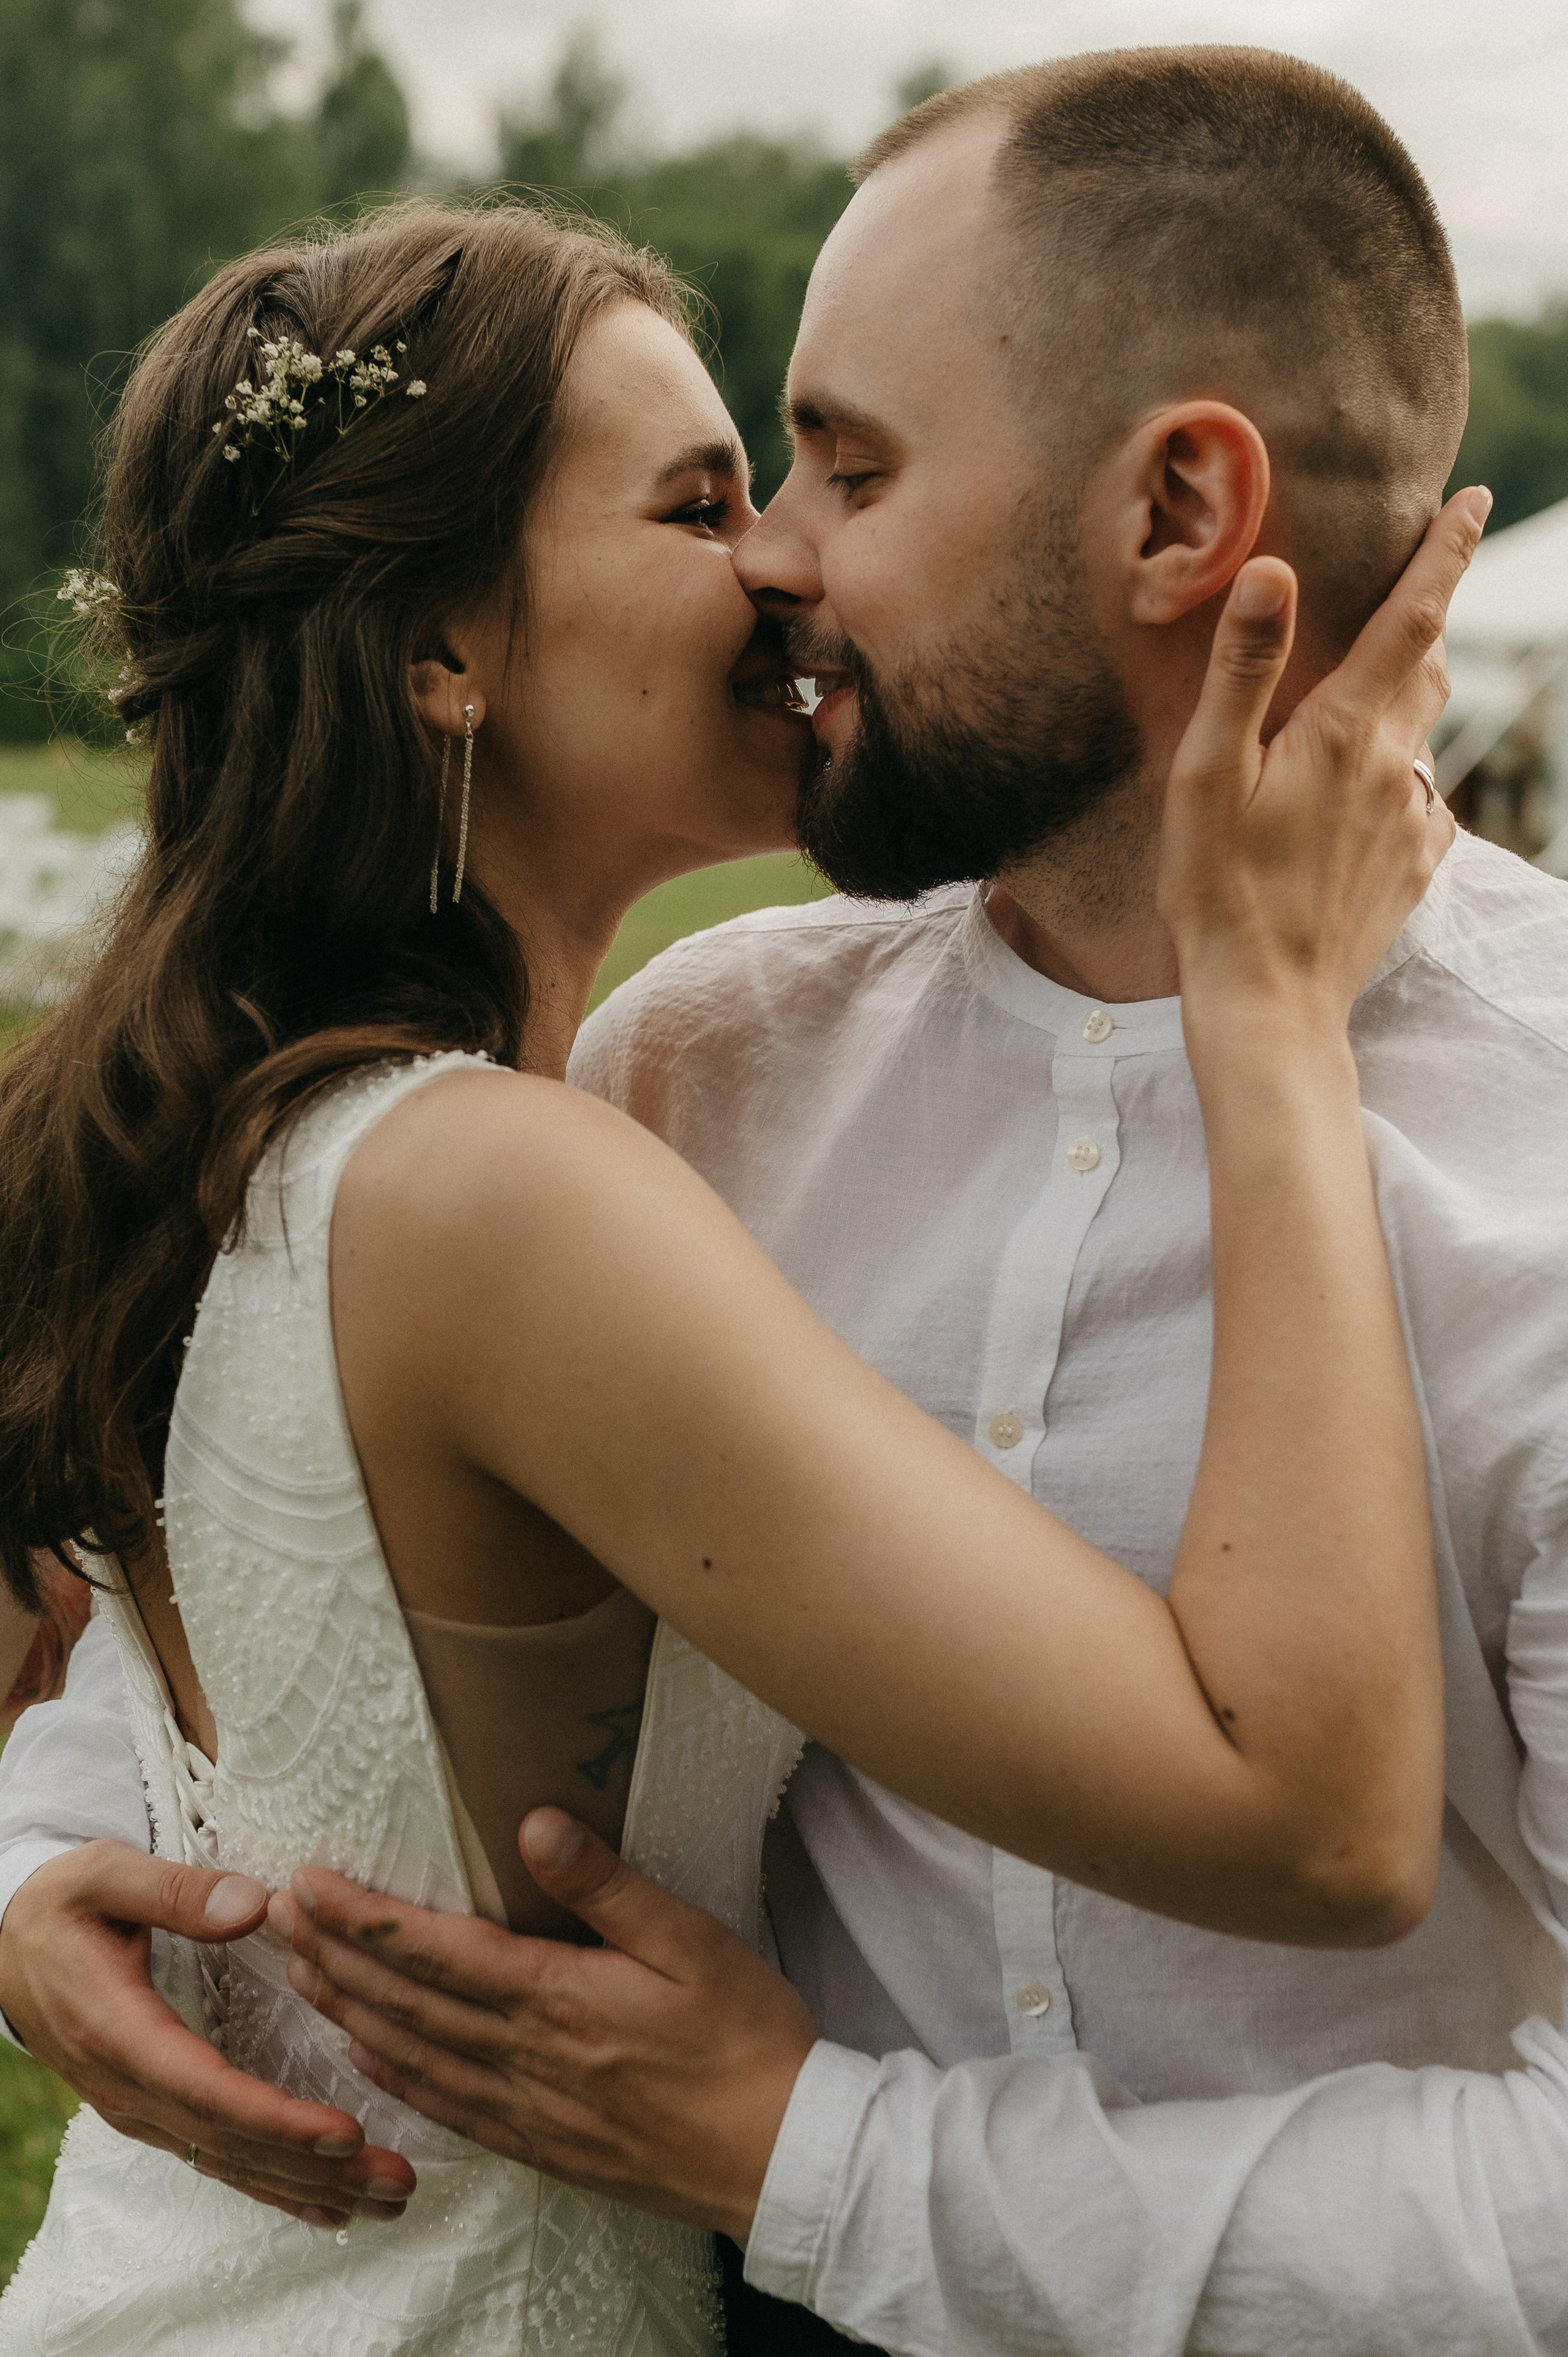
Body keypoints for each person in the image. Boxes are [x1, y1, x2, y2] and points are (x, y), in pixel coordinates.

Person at [0, 59, 1483, 2357]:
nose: (784, 555)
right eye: (713, 498)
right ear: (446, 652)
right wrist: (1266, 1028)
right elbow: (1303, 1811)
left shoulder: (383, 1113)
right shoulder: (565, 1149)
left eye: (831, 473)